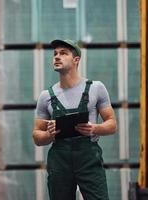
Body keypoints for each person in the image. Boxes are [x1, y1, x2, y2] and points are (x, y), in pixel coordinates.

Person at [32, 39, 117, 200]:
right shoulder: (46, 96)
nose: (57, 57)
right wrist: (49, 135)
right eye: (55, 54)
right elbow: (37, 136)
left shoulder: (95, 88)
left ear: (76, 60)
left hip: (88, 158)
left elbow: (112, 124)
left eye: (63, 53)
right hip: (60, 160)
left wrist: (94, 128)